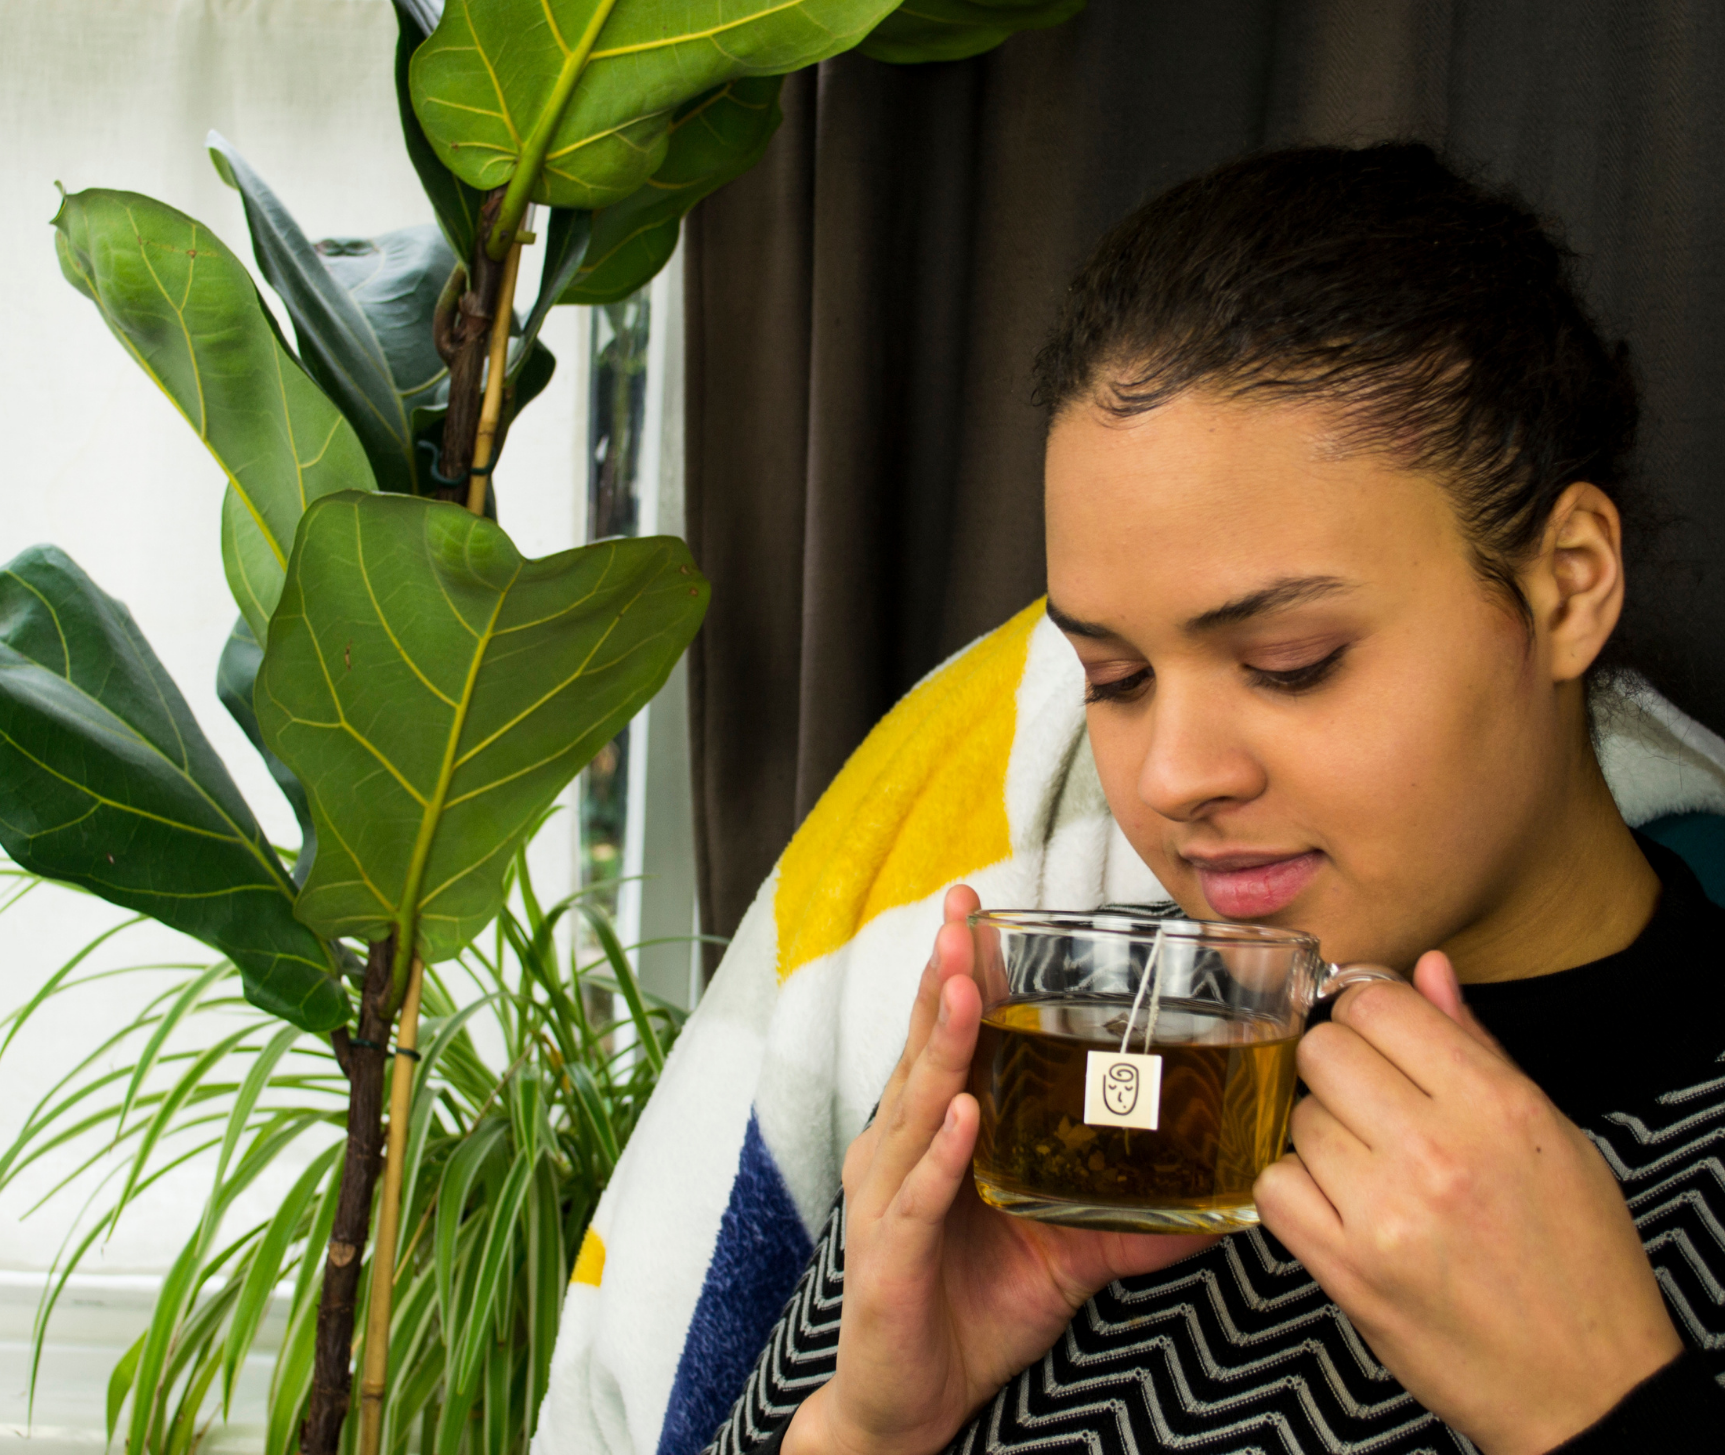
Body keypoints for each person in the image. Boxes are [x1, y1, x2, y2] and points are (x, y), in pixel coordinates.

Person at [705, 144, 1725, 1453]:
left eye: (1290, 662)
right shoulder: (1059, 1092)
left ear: (1567, 585)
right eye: (1114, 676)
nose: (1175, 776)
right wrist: (871, 1421)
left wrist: (1604, 1412)